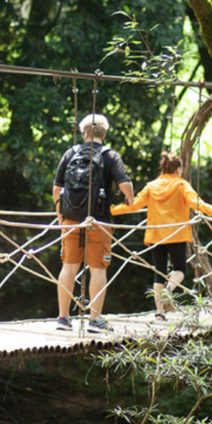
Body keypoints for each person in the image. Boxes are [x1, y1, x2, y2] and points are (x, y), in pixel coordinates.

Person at [111, 151, 212, 320]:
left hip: (155, 236)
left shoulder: (151, 186)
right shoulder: (182, 185)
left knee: (159, 272)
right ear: (178, 170)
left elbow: (133, 205)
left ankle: (160, 313)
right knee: (180, 269)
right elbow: (198, 205)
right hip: (175, 234)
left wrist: (111, 210)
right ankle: (169, 291)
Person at [53, 113, 134, 333]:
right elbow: (124, 183)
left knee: (68, 267)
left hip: (71, 221)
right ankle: (95, 320)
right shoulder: (110, 155)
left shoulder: (70, 153)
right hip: (99, 220)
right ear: (104, 134)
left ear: (85, 133)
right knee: (98, 268)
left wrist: (62, 217)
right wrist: (130, 199)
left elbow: (57, 189)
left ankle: (63, 318)